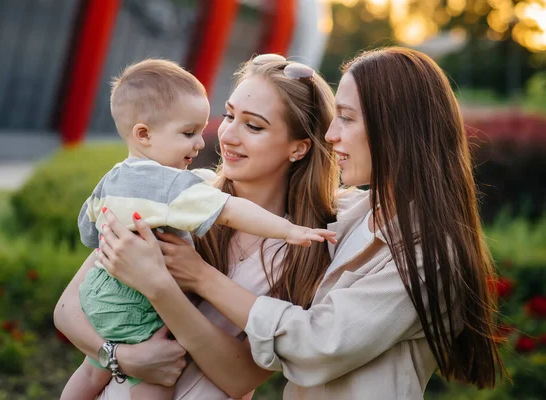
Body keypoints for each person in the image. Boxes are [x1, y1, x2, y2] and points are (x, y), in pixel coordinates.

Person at [95, 47, 507, 399]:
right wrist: (119, 356)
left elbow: (315, 344)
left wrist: (197, 276)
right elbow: (77, 302)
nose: (331, 135)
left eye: (346, 118)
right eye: (229, 115)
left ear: (394, 131)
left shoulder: (426, 251)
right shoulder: (347, 214)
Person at [54, 54, 340, 399]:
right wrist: (121, 358)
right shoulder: (177, 192)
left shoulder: (301, 250)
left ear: (298, 148)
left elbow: (240, 379)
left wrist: (163, 286)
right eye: (230, 115)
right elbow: (68, 309)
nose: (228, 135)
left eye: (253, 126)